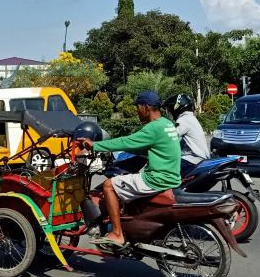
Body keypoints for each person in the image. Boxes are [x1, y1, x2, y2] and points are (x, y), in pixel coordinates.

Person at [75, 91, 181, 247]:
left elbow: (127, 141)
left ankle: (117, 234)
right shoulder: (166, 124)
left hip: (157, 179)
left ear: (146, 107)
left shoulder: (153, 128)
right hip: (171, 176)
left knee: (108, 185)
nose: (137, 111)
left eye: (138, 107)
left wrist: (95, 145)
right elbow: (150, 148)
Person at [166, 93, 210, 166]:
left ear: (178, 107)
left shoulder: (184, 120)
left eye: (171, 109)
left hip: (195, 159)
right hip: (198, 157)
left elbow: (170, 136)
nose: (171, 112)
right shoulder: (189, 118)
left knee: (167, 168)